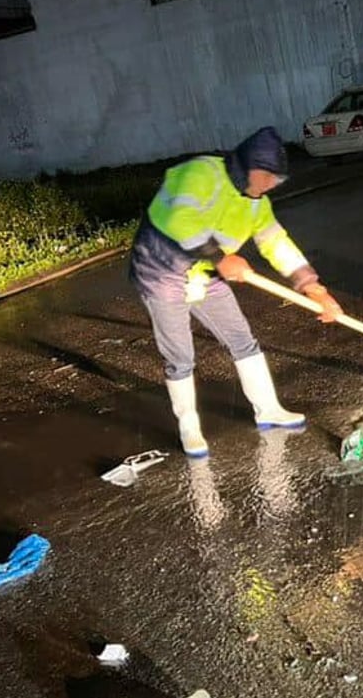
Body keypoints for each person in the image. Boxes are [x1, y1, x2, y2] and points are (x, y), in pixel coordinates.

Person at [129, 127, 343, 458]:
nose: (272, 185)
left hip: (205, 273)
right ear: (247, 167)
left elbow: (275, 242)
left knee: (243, 340)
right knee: (181, 355)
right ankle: (189, 427)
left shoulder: (258, 203)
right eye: (268, 177)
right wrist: (219, 256)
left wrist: (311, 284)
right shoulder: (200, 173)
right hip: (160, 272)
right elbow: (179, 220)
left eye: (277, 180)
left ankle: (268, 410)